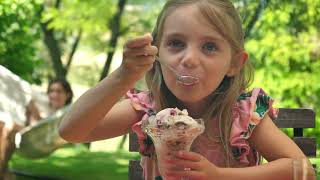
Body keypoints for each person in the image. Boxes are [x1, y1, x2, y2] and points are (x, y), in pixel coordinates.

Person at [58, 0, 314, 179]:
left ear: (234, 63)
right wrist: (123, 76)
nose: (189, 58)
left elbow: (303, 172)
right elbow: (71, 131)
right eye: (176, 43)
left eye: (209, 47)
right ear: (156, 52)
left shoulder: (242, 116)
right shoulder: (148, 109)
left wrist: (218, 176)